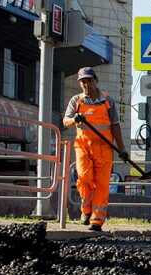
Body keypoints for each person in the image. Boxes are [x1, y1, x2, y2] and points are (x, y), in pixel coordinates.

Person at [63, 67, 127, 232]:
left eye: (89, 80)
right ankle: (86, 210)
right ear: (80, 83)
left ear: (95, 80)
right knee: (84, 178)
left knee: (102, 185)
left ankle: (97, 220)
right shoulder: (76, 101)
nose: (86, 84)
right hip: (83, 146)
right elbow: (65, 120)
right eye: (83, 81)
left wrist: (122, 149)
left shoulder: (108, 101)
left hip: (104, 149)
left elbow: (115, 126)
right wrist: (74, 120)